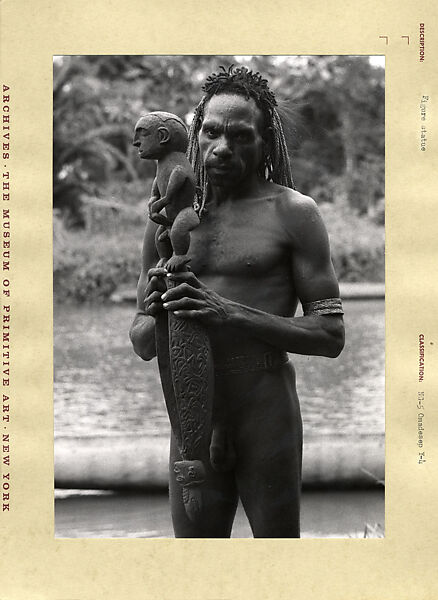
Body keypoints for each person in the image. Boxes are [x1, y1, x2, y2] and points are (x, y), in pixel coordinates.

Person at [130, 65, 345, 538]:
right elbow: (144, 342)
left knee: (276, 562)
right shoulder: (166, 223)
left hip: (265, 413)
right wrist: (155, 309)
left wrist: (228, 312)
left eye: (240, 136)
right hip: (191, 421)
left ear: (264, 142)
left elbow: (331, 336)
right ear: (193, 135)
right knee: (197, 572)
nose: (222, 148)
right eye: (210, 132)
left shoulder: (294, 214)